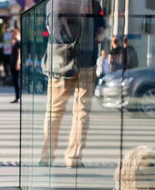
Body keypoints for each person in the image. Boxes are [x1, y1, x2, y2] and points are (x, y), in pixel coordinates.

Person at [39, 0, 105, 169]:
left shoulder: (52, 3)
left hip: (59, 61)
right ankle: (74, 158)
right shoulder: (92, 3)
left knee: (54, 111)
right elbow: (100, 35)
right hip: (86, 60)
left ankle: (46, 157)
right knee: (81, 112)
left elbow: (49, 29)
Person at [10, 29, 21, 103]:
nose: (13, 35)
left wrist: (18, 62)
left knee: (17, 81)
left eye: (14, 34)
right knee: (15, 81)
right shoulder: (14, 42)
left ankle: (18, 97)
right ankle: (17, 97)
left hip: (16, 63)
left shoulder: (18, 42)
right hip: (12, 63)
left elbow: (19, 53)